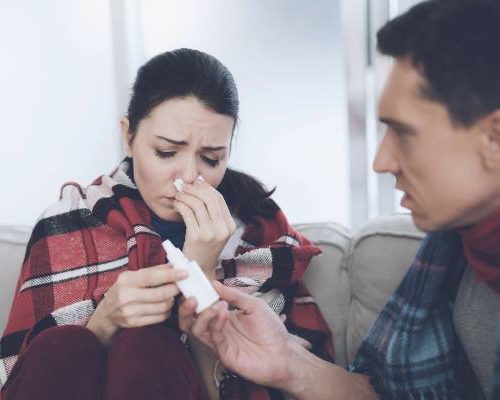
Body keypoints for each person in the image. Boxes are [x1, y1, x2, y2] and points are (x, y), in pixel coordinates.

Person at [179, 1, 500, 399]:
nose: (381, 161)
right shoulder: (460, 244)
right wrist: (291, 364)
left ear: (494, 137)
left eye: (404, 133)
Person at [0, 48, 333, 400]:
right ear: (128, 137)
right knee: (62, 345)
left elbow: (269, 380)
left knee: (146, 345)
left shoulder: (258, 232)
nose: (188, 177)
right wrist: (105, 321)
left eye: (210, 158)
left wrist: (201, 273)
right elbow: (25, 373)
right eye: (166, 153)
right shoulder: (69, 221)